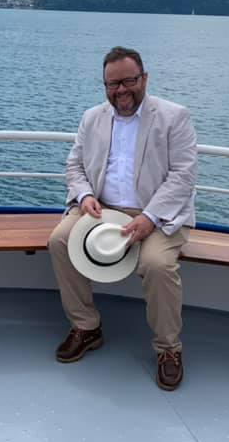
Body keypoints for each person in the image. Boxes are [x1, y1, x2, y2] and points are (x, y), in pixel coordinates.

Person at [48, 46, 197, 390]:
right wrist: (85, 196)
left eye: (129, 81)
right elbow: (75, 166)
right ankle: (86, 327)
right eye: (112, 84)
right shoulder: (92, 117)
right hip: (100, 208)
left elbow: (183, 176)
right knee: (59, 241)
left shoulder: (174, 116)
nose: (121, 90)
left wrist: (150, 217)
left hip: (158, 214)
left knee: (157, 265)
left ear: (144, 78)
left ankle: (168, 348)